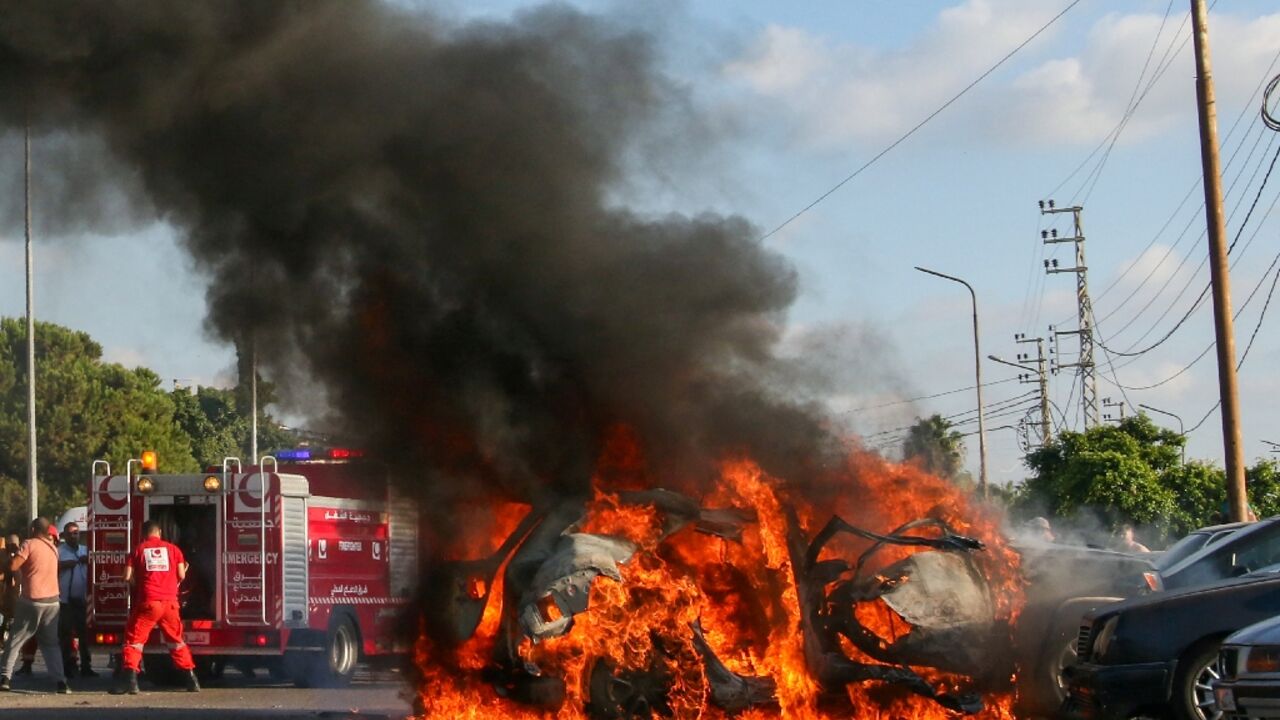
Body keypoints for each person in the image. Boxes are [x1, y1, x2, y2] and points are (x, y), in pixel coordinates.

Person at [111, 521, 199, 695]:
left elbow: (127, 576)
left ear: (144, 534)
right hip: (170, 604)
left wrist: (137, 582)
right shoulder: (174, 550)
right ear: (159, 532)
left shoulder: (138, 549)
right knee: (176, 641)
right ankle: (191, 679)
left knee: (134, 641)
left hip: (148, 603)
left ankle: (131, 681)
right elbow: (181, 575)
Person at [0, 518, 68, 693]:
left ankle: (5, 678)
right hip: (53, 602)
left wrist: (11, 556)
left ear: (32, 529)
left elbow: (14, 565)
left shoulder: (29, 544)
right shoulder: (53, 548)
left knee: (16, 639)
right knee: (51, 644)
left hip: (32, 600)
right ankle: (61, 682)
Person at [57, 521, 95, 677]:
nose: (74, 536)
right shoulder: (59, 551)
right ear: (65, 536)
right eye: (71, 533)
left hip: (83, 601)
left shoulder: (85, 551)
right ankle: (66, 667)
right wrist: (65, 565)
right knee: (65, 636)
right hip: (65, 601)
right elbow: (53, 567)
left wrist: (89, 561)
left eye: (76, 533)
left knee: (85, 635)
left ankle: (87, 667)